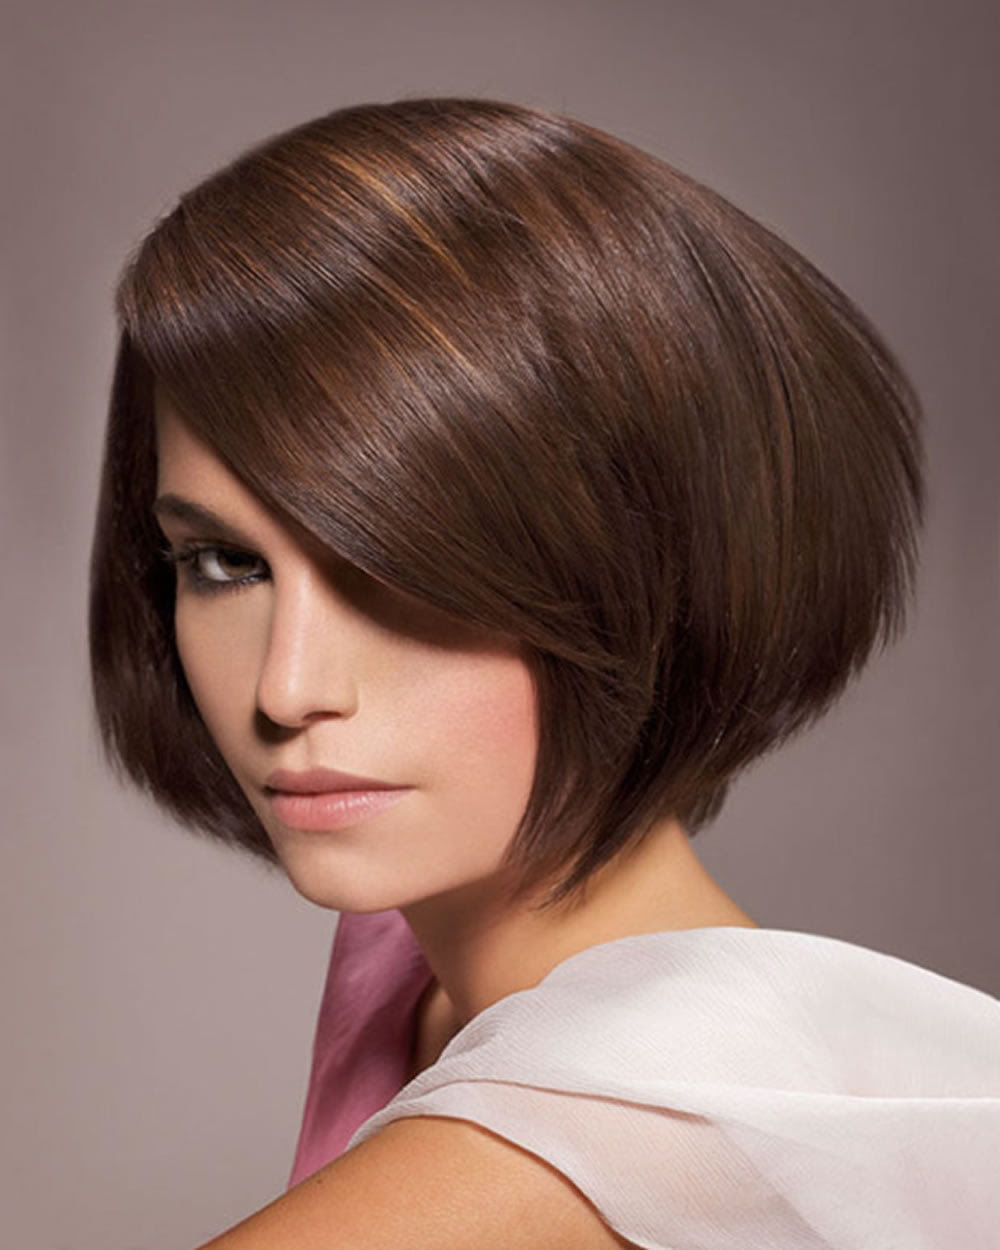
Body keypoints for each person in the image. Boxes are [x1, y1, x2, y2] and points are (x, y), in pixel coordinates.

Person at [89, 98, 1000, 1248]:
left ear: (655, 570)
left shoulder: (600, 1122)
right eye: (224, 562)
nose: (287, 687)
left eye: (400, 565)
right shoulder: (426, 980)